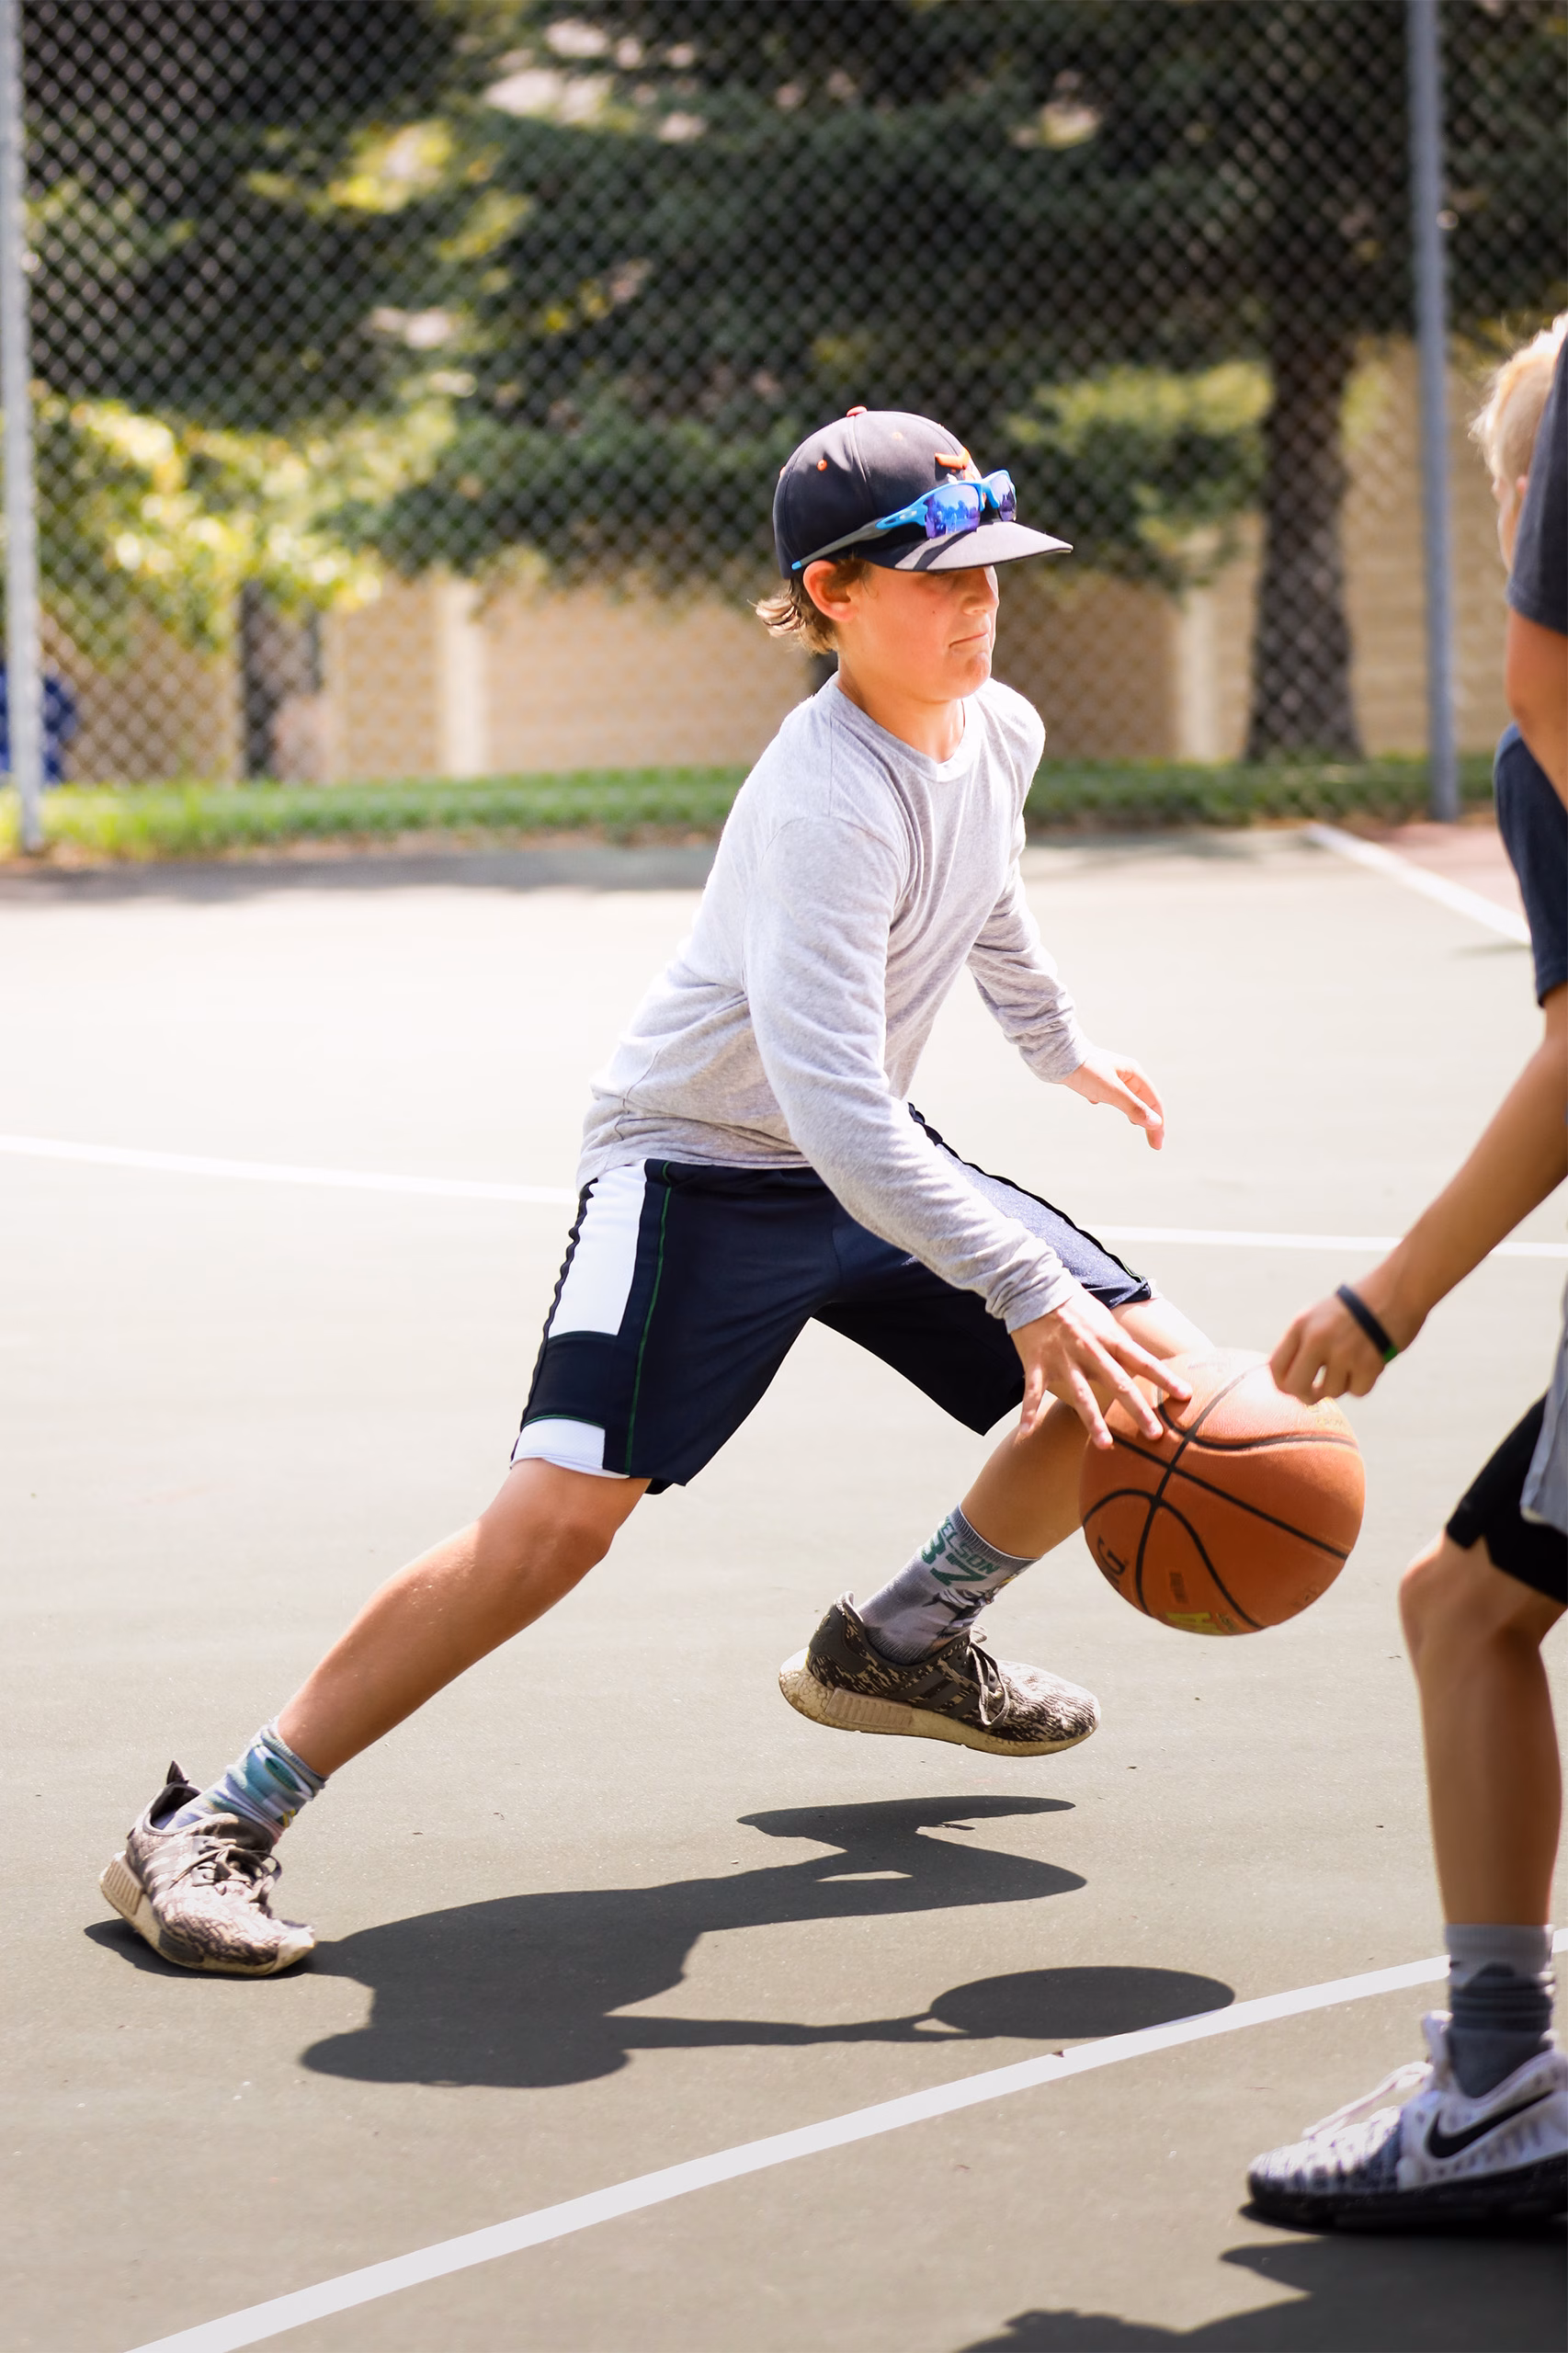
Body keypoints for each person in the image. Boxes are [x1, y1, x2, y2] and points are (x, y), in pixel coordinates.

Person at [99, 407, 1208, 1975]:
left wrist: (1058, 1040)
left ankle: (898, 1639)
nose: (976, 604)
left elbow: (989, 892)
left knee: (1142, 1382)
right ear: (829, 591)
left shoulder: (994, 725)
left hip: (863, 1156)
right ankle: (215, 1819)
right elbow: (823, 1105)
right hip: (699, 1167)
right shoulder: (821, 796)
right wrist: (1022, 1287)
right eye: (936, 578)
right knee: (550, 1530)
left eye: (992, 575)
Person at [1247, 325, 1568, 2229]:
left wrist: (1386, 1298)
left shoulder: (1553, 744)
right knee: (1467, 1598)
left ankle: (1493, 2076)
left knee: (1461, 1612)